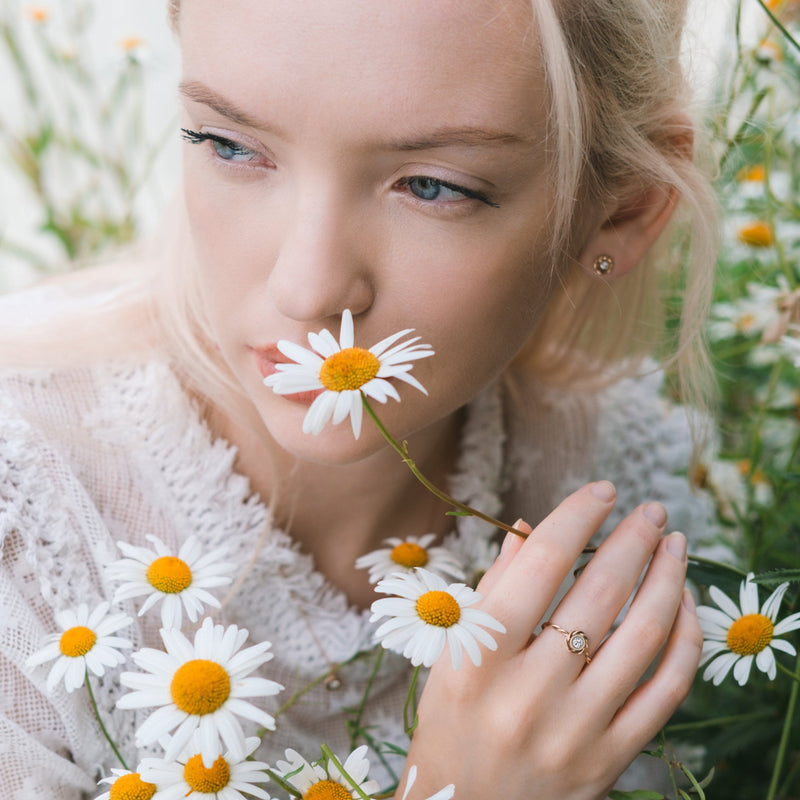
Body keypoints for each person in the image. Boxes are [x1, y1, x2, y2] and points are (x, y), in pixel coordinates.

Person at [0, 0, 721, 797]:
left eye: (432, 187)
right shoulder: (24, 518)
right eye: (230, 144)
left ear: (619, 212)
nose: (307, 288)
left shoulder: (631, 487)